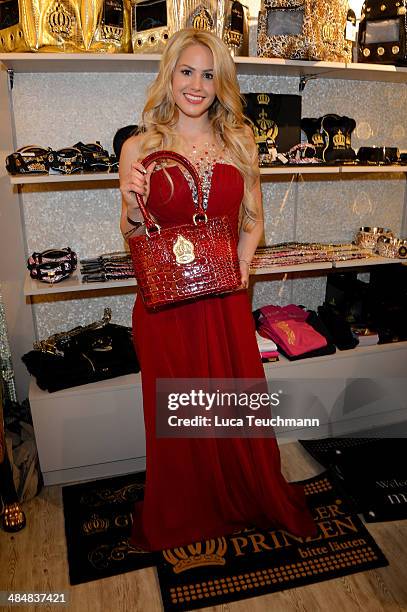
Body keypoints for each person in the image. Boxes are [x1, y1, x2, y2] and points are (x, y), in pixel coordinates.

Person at [119, 28, 317, 552]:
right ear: (169, 75)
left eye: (209, 74)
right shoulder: (139, 146)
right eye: (187, 71)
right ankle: (186, 506)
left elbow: (253, 221)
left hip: (226, 300)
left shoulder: (241, 141)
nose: (197, 84)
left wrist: (245, 265)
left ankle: (239, 492)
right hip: (166, 307)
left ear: (221, 82)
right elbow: (132, 233)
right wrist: (135, 206)